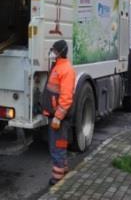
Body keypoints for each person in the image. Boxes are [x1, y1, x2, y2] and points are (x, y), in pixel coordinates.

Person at [42, 40, 76, 186]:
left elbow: (66, 98)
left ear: (61, 52)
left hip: (59, 117)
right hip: (56, 115)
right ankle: (64, 169)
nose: (53, 52)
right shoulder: (58, 66)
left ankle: (57, 177)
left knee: (57, 146)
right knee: (60, 144)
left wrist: (58, 117)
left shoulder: (66, 69)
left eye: (55, 50)